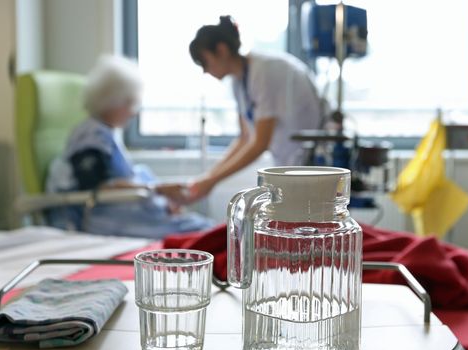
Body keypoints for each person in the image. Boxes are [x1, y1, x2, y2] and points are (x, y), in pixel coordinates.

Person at [46, 55, 213, 239]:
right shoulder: (90, 137)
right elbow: (97, 187)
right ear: (111, 102)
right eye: (129, 103)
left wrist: (161, 199)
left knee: (205, 230)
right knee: (204, 233)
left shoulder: (104, 133)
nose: (133, 112)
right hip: (104, 219)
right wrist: (157, 190)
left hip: (124, 213)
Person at [185, 16, 326, 202]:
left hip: (312, 160)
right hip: (290, 162)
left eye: (204, 62)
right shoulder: (239, 81)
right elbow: (245, 138)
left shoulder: (264, 70)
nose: (205, 70)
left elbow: (260, 143)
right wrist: (207, 178)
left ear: (221, 50)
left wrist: (212, 181)